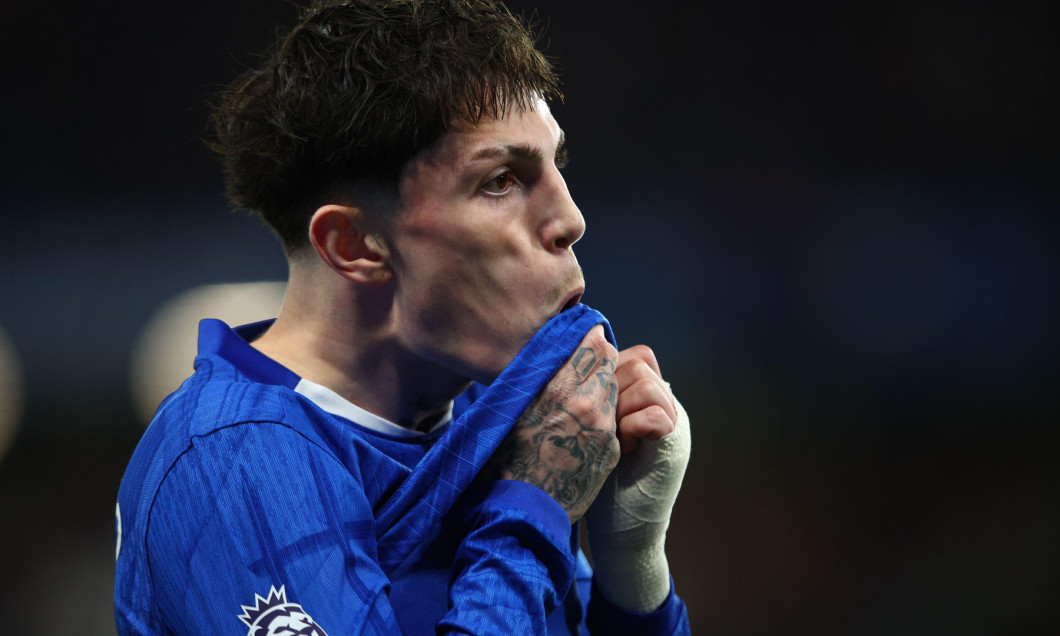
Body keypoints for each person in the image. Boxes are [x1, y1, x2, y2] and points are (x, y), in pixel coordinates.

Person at [114, 1, 692, 634]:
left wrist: (631, 567)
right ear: (356, 245)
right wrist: (533, 507)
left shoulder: (495, 424)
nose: (571, 218)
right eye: (501, 180)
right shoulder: (231, 461)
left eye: (557, 165)